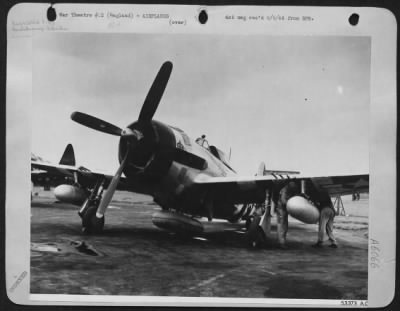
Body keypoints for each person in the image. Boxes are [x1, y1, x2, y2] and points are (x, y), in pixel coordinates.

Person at [273, 180, 300, 249]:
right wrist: (291, 203)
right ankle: (281, 243)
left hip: (283, 209)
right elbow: (283, 201)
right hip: (281, 210)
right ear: (290, 184)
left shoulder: (288, 189)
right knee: (282, 226)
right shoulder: (285, 190)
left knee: (284, 226)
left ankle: (282, 242)